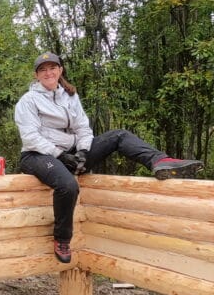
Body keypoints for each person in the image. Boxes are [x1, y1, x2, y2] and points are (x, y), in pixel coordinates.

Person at [14, 51, 203, 264]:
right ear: (36, 75)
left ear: (60, 70)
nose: (48, 73)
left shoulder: (70, 96)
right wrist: (60, 155)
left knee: (118, 136)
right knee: (68, 186)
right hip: (38, 155)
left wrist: (83, 151)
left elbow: (83, 128)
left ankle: (159, 161)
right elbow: (30, 137)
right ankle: (62, 239)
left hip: (71, 153)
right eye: (43, 70)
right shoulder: (28, 101)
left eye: (52, 68)